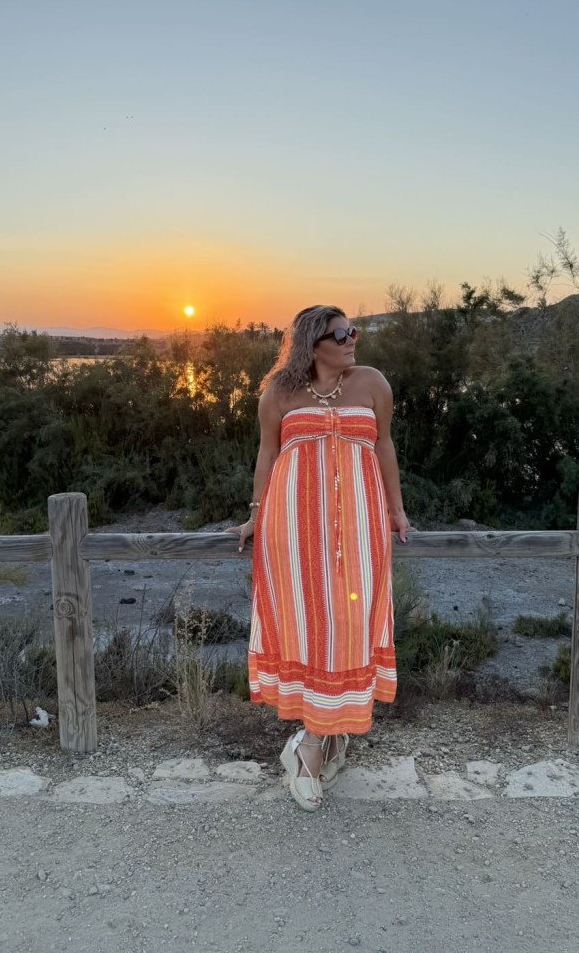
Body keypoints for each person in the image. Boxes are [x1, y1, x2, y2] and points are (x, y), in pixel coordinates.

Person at [232, 305, 413, 811]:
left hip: (360, 529)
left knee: (351, 623)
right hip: (293, 531)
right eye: (340, 333)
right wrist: (254, 515)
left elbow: (384, 447)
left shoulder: (372, 383)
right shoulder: (278, 394)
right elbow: (267, 454)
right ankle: (317, 740)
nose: (352, 337)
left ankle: (322, 739)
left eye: (353, 329)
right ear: (313, 343)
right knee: (310, 627)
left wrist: (397, 511)